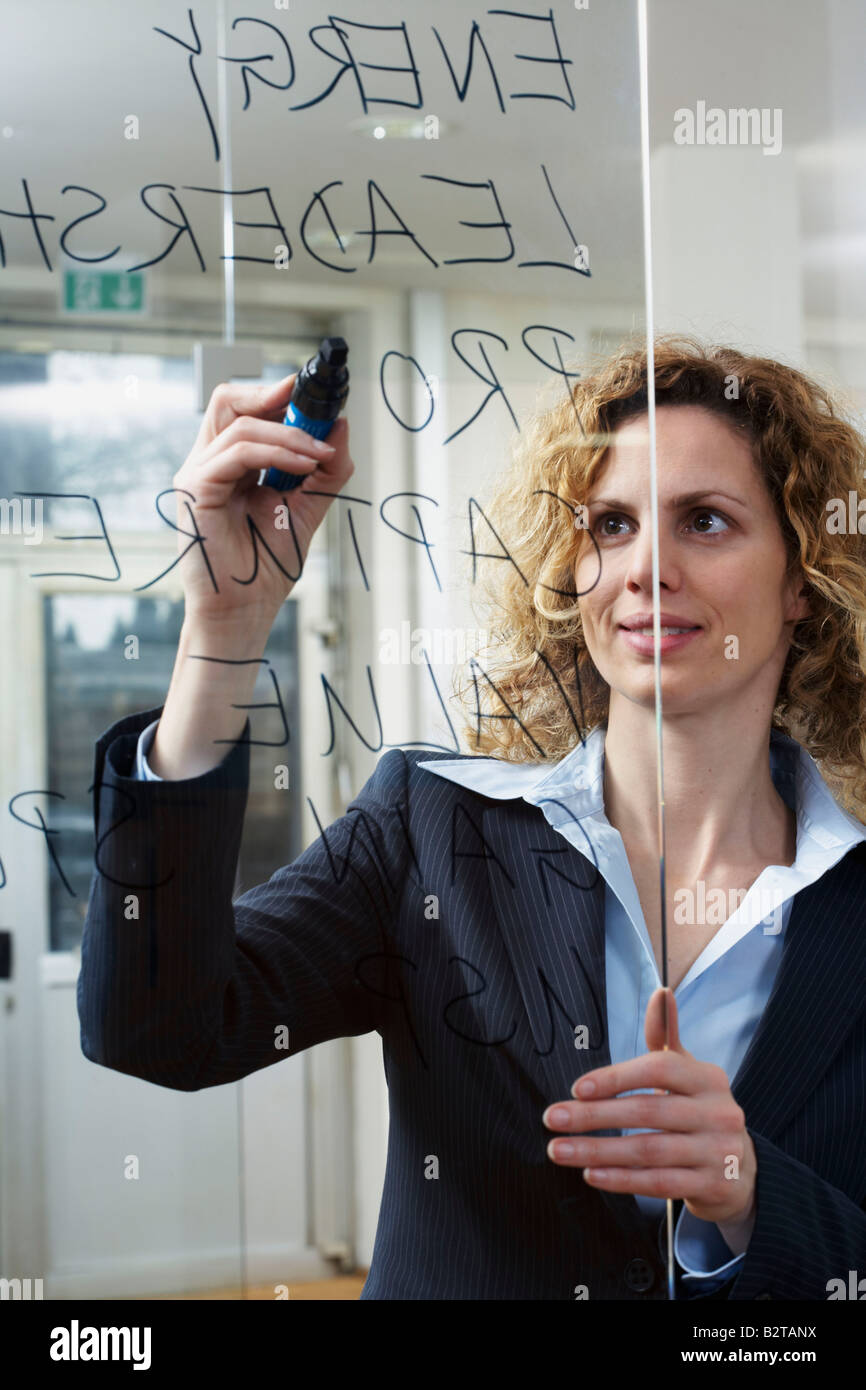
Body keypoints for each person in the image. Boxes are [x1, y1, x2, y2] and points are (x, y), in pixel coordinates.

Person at [78, 334, 866, 1300]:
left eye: (704, 521)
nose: (644, 568)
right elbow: (157, 1028)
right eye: (610, 525)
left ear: (802, 582)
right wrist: (226, 633)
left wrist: (751, 1195)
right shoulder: (430, 829)